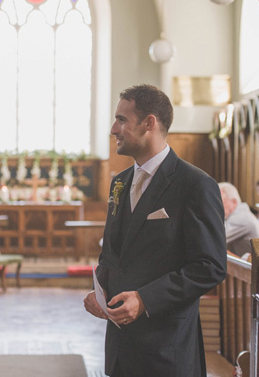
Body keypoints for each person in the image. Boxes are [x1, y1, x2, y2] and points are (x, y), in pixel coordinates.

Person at [83, 84, 227, 377]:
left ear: (149, 123)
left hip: (166, 350)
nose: (113, 129)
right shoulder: (119, 183)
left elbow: (210, 266)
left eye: (122, 119)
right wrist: (101, 293)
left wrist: (146, 299)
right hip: (121, 349)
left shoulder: (194, 185)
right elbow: (113, 252)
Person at [218, 182, 259, 257]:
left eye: (220, 201)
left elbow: (212, 240)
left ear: (234, 201)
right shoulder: (237, 215)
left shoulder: (241, 218)